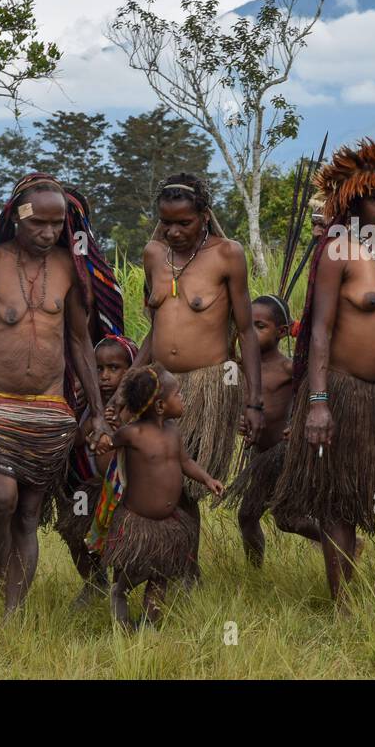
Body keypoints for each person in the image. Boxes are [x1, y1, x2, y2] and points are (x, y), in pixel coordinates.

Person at [0, 173, 114, 625]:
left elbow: (77, 343)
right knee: (2, 500)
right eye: (39, 225)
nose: (49, 233)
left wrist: (100, 415)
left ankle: (12, 616)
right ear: (16, 217)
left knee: (29, 514)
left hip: (50, 410)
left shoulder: (70, 269)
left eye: (57, 225)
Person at [271, 133, 375, 601]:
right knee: (339, 501)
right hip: (342, 392)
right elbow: (318, 331)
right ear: (355, 204)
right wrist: (318, 403)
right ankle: (344, 603)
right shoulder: (337, 251)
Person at [111, 173, 263, 582]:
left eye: (185, 223)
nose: (175, 232)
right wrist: (126, 387)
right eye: (167, 223)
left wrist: (253, 400)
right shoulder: (152, 255)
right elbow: (154, 331)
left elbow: (246, 331)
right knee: (155, 480)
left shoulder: (228, 254)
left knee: (183, 485)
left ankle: (183, 570)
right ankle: (164, 567)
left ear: (204, 216)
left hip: (206, 386)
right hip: (157, 386)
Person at [88, 364, 223, 628]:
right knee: (125, 578)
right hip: (137, 522)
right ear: (160, 406)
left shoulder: (173, 432)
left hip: (168, 525)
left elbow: (185, 462)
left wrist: (208, 479)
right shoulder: (132, 433)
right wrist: (101, 440)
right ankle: (121, 617)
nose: (182, 397)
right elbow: (104, 444)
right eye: (178, 394)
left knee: (160, 578)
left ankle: (149, 627)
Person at [226, 293, 322, 566]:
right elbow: (234, 404)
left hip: (285, 452)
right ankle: (254, 573)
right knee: (247, 516)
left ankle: (338, 542)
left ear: (281, 332)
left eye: (260, 326)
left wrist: (298, 424)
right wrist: (239, 421)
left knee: (288, 518)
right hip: (259, 455)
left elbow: (311, 398)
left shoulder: (288, 368)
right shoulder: (239, 368)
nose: (252, 333)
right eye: (248, 325)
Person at [54, 334, 137, 607]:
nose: (105, 376)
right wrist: (93, 421)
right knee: (74, 532)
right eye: (98, 369)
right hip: (88, 487)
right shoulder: (87, 405)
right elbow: (75, 440)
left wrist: (121, 421)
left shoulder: (137, 408)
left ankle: (121, 588)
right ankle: (93, 582)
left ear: (131, 370)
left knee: (122, 539)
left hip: (124, 493)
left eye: (114, 369)